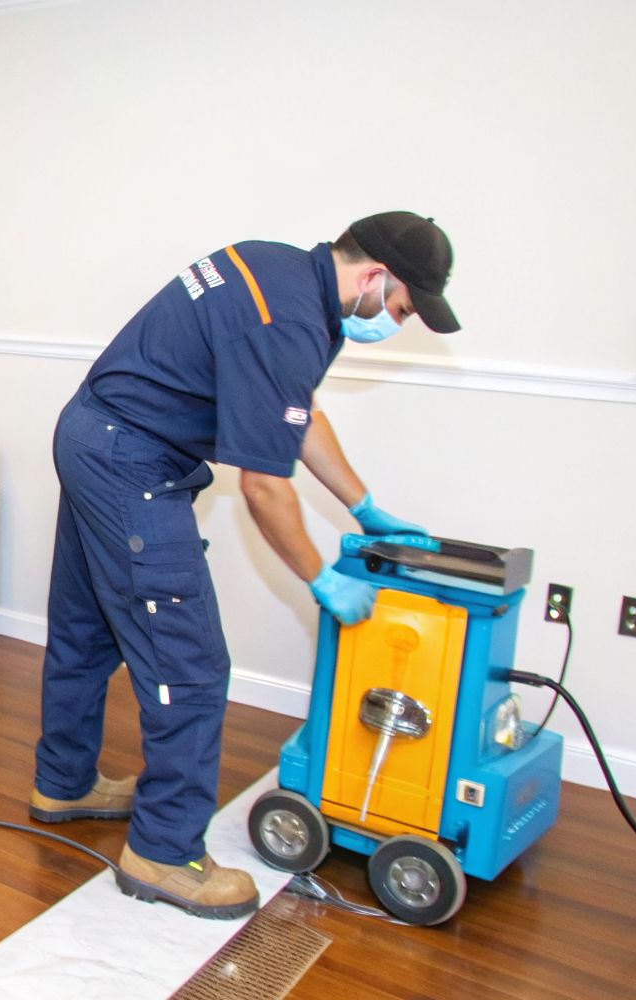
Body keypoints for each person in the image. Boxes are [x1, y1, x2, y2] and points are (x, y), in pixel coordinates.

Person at [30, 212, 458, 920]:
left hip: (91, 434)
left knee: (87, 632)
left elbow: (298, 413)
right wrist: (320, 577)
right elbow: (262, 484)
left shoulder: (281, 269)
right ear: (376, 278)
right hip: (131, 463)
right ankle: (163, 855)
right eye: (403, 309)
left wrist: (366, 506)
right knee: (189, 665)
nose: (398, 323)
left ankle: (64, 782)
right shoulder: (289, 321)